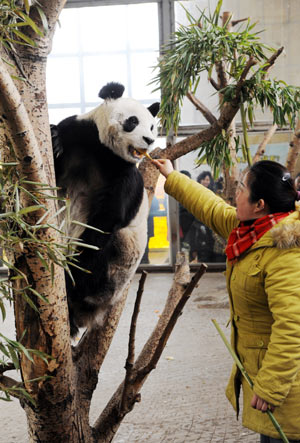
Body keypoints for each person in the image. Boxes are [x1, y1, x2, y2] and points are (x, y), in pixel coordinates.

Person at [152, 158, 300, 443]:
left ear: (260, 205)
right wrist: (172, 176)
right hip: (267, 383)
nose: (236, 192)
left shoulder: (286, 250)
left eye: (242, 187)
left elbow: (293, 328)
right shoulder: (249, 230)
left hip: (288, 391)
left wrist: (270, 387)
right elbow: (210, 207)